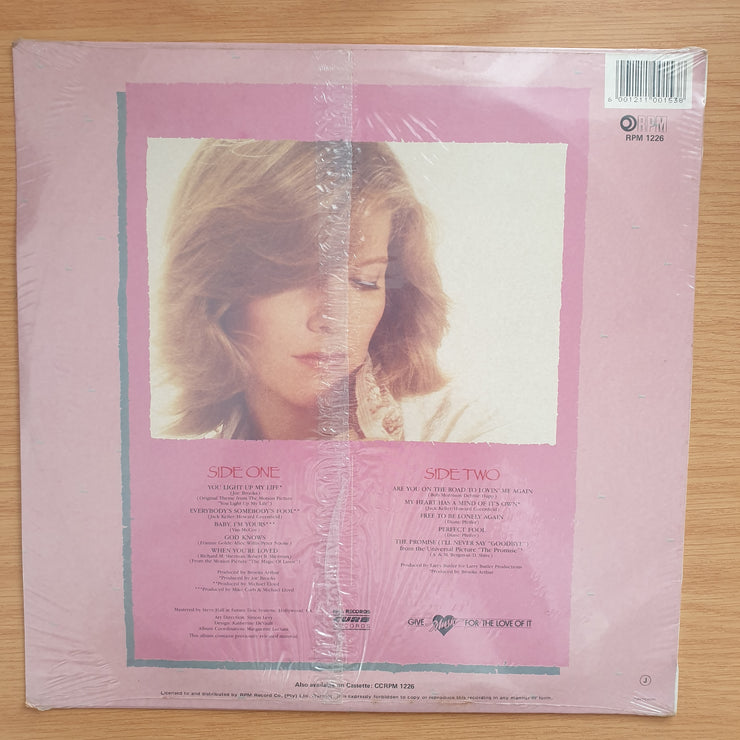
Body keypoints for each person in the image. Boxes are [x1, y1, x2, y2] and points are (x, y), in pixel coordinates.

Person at [152, 139, 494, 442]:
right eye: (293, 277)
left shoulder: (464, 441)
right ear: (214, 284)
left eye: (364, 281)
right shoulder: (185, 467)